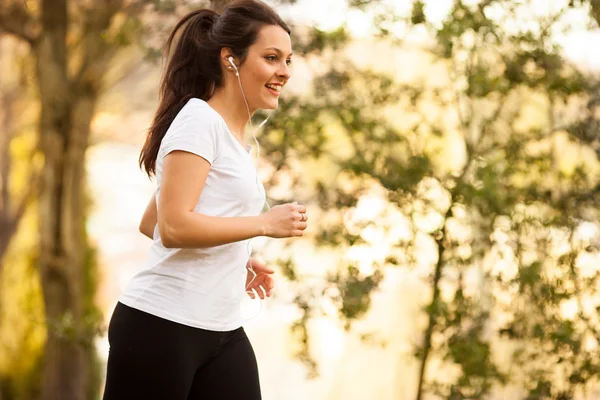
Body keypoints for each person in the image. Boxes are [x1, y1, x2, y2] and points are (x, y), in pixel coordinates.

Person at [102, 1, 307, 398]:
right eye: (271, 58)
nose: (284, 71)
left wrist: (237, 259)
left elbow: (153, 221)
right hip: (160, 326)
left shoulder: (235, 139)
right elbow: (173, 227)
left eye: (288, 60)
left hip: (222, 330)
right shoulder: (199, 122)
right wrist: (266, 224)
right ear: (229, 59)